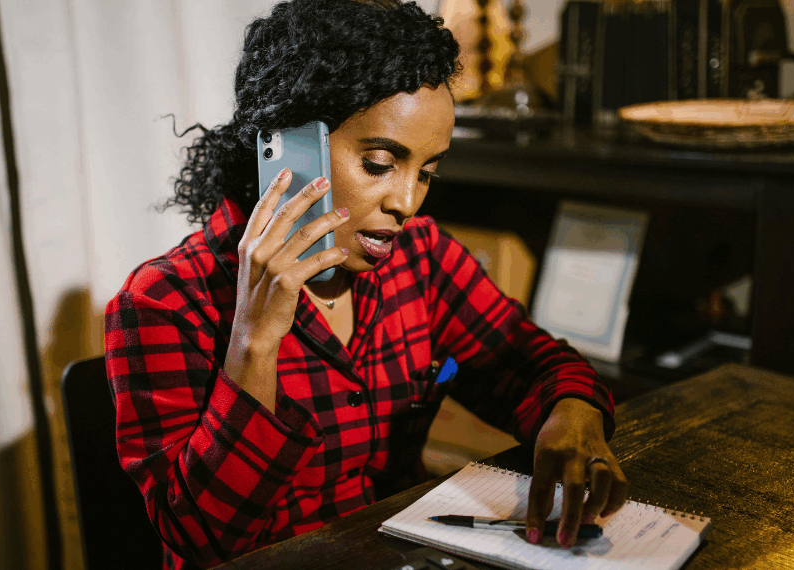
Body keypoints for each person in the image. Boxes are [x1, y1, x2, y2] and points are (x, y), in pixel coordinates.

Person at [104, 0, 628, 568]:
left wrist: (572, 416)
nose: (406, 202)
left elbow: (531, 362)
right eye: (380, 164)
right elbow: (203, 537)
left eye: (426, 172)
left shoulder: (420, 257)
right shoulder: (164, 302)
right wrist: (255, 341)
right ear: (288, 148)